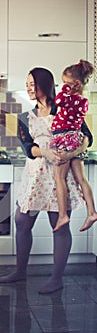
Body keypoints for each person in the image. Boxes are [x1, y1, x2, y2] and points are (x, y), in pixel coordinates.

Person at [0, 67, 93, 294]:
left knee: (58, 226)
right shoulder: (25, 117)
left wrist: (71, 153)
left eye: (33, 83)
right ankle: (21, 271)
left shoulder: (66, 109)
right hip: (35, 175)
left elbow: (87, 137)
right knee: (22, 221)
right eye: (27, 84)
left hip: (60, 175)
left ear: (45, 84)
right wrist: (45, 152)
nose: (29, 88)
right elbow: (28, 148)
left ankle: (56, 277)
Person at [50, 60, 97, 232]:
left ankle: (63, 215)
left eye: (65, 83)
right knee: (81, 179)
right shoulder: (83, 100)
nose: (63, 86)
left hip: (65, 137)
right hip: (74, 138)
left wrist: (65, 91)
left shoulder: (71, 99)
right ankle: (91, 212)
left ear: (76, 84)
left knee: (59, 178)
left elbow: (58, 101)